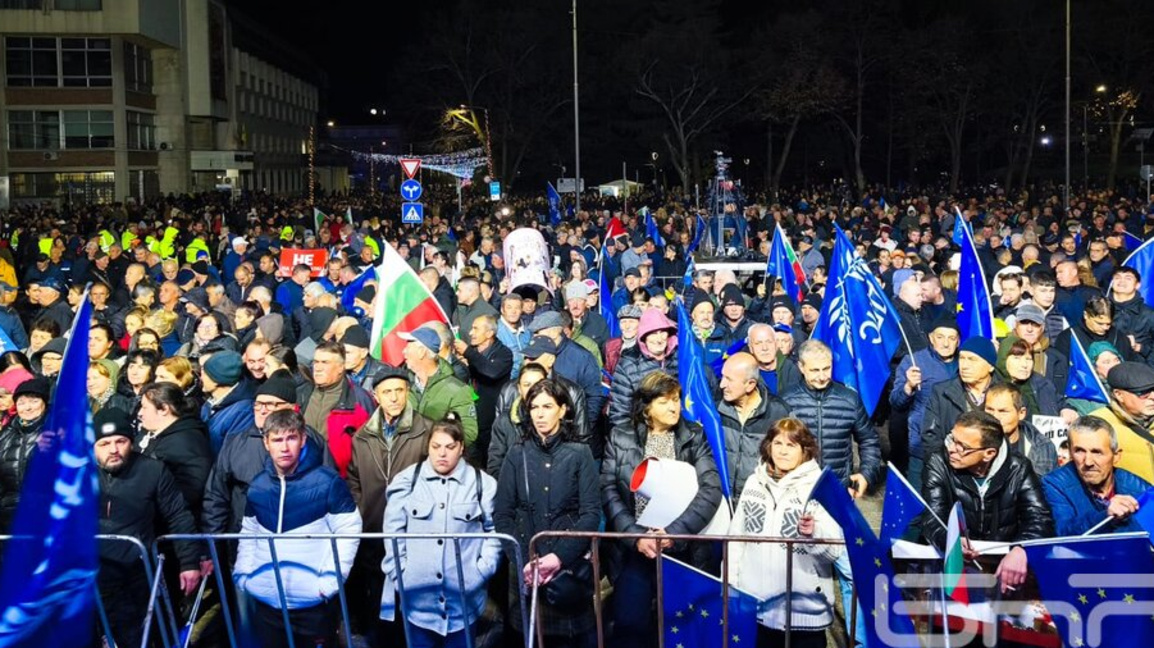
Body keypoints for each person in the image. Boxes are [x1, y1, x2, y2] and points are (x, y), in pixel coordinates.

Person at [601, 371, 722, 647]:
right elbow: (608, 489)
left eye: (677, 400)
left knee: (682, 628)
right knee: (630, 625)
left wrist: (675, 532)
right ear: (647, 407)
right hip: (635, 549)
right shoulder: (621, 436)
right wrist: (636, 536)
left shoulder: (694, 435)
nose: (674, 407)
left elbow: (711, 488)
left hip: (682, 550)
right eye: (665, 401)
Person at [233, 410, 362, 648]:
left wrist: (330, 582)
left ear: (303, 439)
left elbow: (349, 530)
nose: (284, 447)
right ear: (266, 443)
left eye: (291, 438)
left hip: (312, 606)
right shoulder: (259, 485)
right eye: (277, 440)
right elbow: (249, 533)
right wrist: (245, 575)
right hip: (267, 604)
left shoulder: (327, 482)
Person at [492, 380, 601, 648]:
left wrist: (558, 557)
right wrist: (523, 561)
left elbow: (590, 514)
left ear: (563, 410)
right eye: (534, 407)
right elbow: (502, 514)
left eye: (547, 406)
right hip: (527, 571)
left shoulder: (580, 453)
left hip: (567, 569)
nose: (539, 414)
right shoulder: (517, 454)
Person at [380, 418, 502, 647]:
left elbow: (493, 533)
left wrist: (482, 570)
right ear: (428, 446)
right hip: (418, 603)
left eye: (450, 447)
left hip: (463, 604)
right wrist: (400, 574)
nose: (442, 454)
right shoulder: (407, 481)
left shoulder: (482, 484)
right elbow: (392, 532)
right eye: (436, 447)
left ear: (461, 447)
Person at [728, 418, 843, 648]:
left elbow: (836, 550)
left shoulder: (820, 488)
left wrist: (814, 534)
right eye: (778, 443)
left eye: (791, 445)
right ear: (768, 446)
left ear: (805, 450)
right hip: (757, 608)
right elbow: (735, 539)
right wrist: (731, 585)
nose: (782, 451)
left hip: (805, 614)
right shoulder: (753, 483)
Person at [94, 407, 202, 648]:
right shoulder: (77, 473)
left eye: (121, 441)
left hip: (135, 576)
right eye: (105, 443)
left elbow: (178, 516)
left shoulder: (152, 470)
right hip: (87, 575)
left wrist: (189, 562)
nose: (114, 449)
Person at [345, 367, 433, 645]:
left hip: (414, 532)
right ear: (376, 396)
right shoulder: (362, 436)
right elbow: (354, 478)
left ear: (408, 392)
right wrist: (362, 511)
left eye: (399, 390)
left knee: (412, 604)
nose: (394, 397)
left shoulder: (427, 430)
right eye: (387, 392)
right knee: (377, 606)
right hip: (373, 530)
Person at [922, 411, 1054, 594]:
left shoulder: (1019, 468)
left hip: (1001, 567)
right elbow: (933, 516)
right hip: (954, 566)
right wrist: (950, 540)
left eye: (962, 446)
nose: (951, 448)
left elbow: (1039, 518)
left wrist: (1021, 548)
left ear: (989, 454)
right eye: (952, 439)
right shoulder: (939, 462)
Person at [1041, 415, 1154, 536]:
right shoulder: (1054, 484)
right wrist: (1106, 516)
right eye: (1079, 451)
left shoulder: (1139, 489)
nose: (1088, 462)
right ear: (1070, 452)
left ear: (1116, 456)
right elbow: (1062, 533)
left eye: (1097, 452)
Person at [890, 316, 960, 490]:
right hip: (922, 445)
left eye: (951, 338)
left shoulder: (965, 362)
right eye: (940, 337)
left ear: (958, 341)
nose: (945, 343)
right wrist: (908, 386)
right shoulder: (914, 362)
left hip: (958, 446)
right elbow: (896, 402)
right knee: (919, 498)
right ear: (931, 338)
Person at [718, 352, 792, 499]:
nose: (722, 385)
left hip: (759, 503)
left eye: (729, 379)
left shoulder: (779, 413)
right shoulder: (715, 410)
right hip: (721, 503)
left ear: (750, 384)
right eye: (722, 376)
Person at [136, 381, 213, 521]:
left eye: (144, 408)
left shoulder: (187, 442)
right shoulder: (149, 433)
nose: (139, 413)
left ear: (164, 409)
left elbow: (190, 491)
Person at [299, 340, 376, 477]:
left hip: (341, 479)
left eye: (325, 363)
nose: (318, 367)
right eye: (316, 362)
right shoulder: (302, 394)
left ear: (341, 367)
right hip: (304, 475)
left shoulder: (359, 400)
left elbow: (371, 447)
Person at [400, 328, 479, 447]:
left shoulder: (458, 390)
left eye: (409, 347)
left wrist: (434, 445)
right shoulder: (402, 383)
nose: (403, 351)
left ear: (422, 352)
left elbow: (468, 433)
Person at [453, 314, 513, 466]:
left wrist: (468, 353)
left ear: (489, 333)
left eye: (476, 329)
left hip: (491, 422)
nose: (471, 333)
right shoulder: (471, 353)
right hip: (471, 418)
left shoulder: (504, 354)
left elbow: (491, 371)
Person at [608, 308, 679, 427]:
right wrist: (632, 442)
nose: (659, 339)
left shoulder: (681, 359)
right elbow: (620, 413)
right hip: (641, 436)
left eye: (662, 332)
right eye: (653, 333)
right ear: (643, 336)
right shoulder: (628, 364)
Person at [1088, 362, 1154, 483]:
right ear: (1119, 395)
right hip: (1130, 500)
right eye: (1143, 393)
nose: (1153, 397)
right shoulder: (1096, 424)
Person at [0, 377, 49, 533]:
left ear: (44, 402)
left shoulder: (56, 430)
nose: (27, 408)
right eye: (21, 402)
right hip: (8, 516)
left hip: (44, 513)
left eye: (34, 401)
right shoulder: (6, 434)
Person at [983, 383, 1058, 476]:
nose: (995, 416)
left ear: (1021, 413)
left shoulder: (1043, 447)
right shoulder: (971, 441)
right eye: (989, 409)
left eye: (1003, 411)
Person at [200, 350, 256, 455]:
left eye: (205, 373)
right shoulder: (210, 403)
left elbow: (230, 454)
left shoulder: (243, 411)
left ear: (216, 379)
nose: (201, 377)